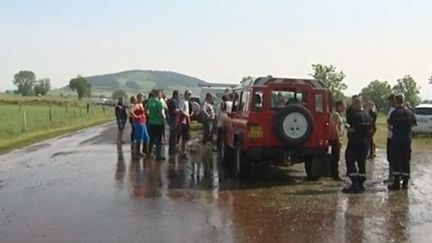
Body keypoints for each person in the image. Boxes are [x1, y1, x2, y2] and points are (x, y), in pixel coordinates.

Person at [343, 97, 372, 194]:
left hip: (355, 142)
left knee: (350, 161)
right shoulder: (367, 115)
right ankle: (361, 184)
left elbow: (353, 129)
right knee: (362, 163)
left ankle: (354, 183)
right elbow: (371, 129)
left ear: (355, 104)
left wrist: (347, 127)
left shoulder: (354, 116)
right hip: (365, 142)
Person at [388, 94, 417, 190]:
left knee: (396, 159)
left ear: (396, 101)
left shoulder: (394, 113)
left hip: (396, 139)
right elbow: (413, 125)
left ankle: (396, 183)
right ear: (403, 100)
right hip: (407, 139)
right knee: (406, 160)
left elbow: (390, 125)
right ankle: (405, 183)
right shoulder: (410, 112)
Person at [329, 100, 346, 181]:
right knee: (335, 157)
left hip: (337, 138)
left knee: (336, 156)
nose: (344, 107)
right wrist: (338, 139)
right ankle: (335, 174)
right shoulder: (336, 115)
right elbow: (335, 127)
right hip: (336, 139)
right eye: (343, 106)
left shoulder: (339, 115)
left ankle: (334, 173)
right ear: (339, 106)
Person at [147, 89, 166, 161]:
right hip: (158, 122)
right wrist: (163, 120)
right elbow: (161, 113)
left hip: (151, 121)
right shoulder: (158, 102)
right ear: (158, 94)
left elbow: (146, 110)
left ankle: (150, 153)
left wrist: (151, 116)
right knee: (158, 139)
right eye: (160, 93)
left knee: (151, 138)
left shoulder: (149, 101)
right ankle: (158, 155)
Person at [178, 90, 193, 155]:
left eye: (190, 94)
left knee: (186, 136)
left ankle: (183, 149)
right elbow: (180, 110)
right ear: (185, 94)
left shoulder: (187, 102)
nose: (189, 96)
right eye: (188, 94)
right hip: (183, 119)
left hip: (187, 119)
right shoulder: (183, 101)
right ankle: (183, 150)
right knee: (184, 135)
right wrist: (186, 115)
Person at [385, 94, 396, 183]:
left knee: (392, 156)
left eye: (389, 101)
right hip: (392, 136)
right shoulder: (392, 110)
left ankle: (391, 176)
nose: (388, 103)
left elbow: (389, 123)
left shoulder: (393, 111)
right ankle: (393, 176)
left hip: (392, 137)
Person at [167, 90, 180, 154]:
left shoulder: (171, 100)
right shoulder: (173, 101)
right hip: (173, 118)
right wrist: (179, 110)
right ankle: (172, 149)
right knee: (173, 134)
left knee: (172, 134)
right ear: (176, 95)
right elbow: (174, 110)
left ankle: (171, 148)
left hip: (173, 118)